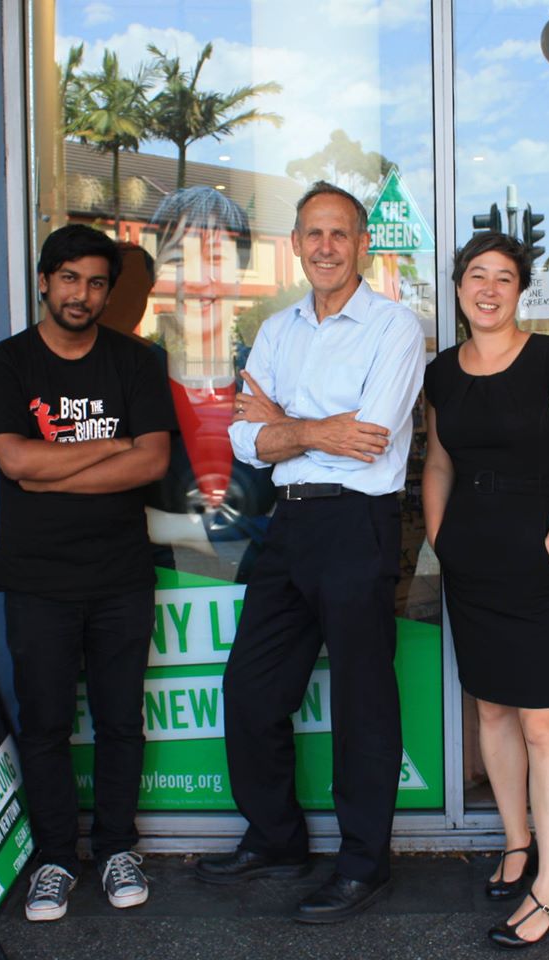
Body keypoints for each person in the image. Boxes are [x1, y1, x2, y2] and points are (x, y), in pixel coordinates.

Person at [194, 181, 425, 924]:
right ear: (296, 244)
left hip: (358, 525)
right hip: (287, 526)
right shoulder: (278, 329)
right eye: (313, 234)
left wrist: (286, 424)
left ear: (362, 244)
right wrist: (318, 429)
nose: (326, 246)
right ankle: (277, 839)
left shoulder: (393, 327)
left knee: (362, 701)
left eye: (340, 233)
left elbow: (374, 434)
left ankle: (364, 864)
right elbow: (243, 441)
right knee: (253, 688)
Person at [0, 223, 175, 921]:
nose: (81, 295)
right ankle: (56, 858)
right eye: (69, 280)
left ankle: (118, 847)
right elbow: (15, 462)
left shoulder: (137, 363)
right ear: (44, 281)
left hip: (121, 575)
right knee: (46, 724)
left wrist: (54, 469)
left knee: (121, 721)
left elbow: (150, 462)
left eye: (95, 283)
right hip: (37, 579)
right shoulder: (5, 364)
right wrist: (108, 449)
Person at [422, 232, 549, 947]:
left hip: (538, 561)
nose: (488, 288)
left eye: (503, 277)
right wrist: (439, 537)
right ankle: (516, 841)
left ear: (519, 290)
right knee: (491, 710)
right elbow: (437, 461)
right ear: (459, 286)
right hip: (471, 561)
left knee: (542, 720)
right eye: (476, 275)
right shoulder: (441, 371)